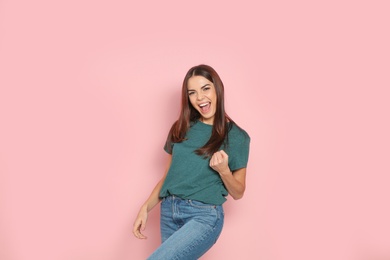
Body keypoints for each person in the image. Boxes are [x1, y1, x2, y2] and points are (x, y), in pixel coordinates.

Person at [132, 64, 250, 259]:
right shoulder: (180, 129)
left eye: (205, 88)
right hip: (169, 211)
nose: (200, 98)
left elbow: (238, 192)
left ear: (217, 89)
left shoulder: (236, 137)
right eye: (192, 93)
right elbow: (168, 177)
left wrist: (224, 171)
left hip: (204, 216)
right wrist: (145, 208)